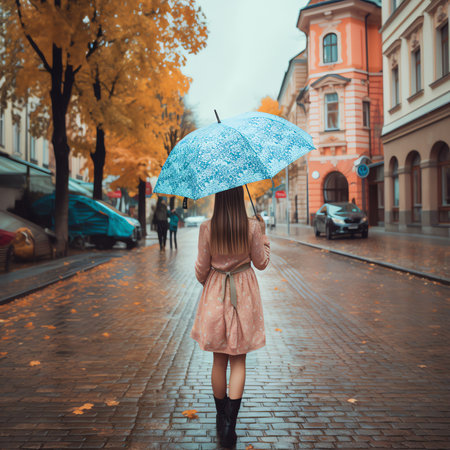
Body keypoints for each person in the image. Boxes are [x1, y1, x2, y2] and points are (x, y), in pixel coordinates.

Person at [190, 186, 270, 448]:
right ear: (239, 197)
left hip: (216, 293)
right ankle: (229, 426)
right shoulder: (252, 227)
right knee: (238, 361)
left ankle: (221, 417)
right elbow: (261, 262)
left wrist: (212, 277)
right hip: (244, 296)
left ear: (218, 197)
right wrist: (264, 236)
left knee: (218, 360)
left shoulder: (207, 228)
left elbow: (201, 271)